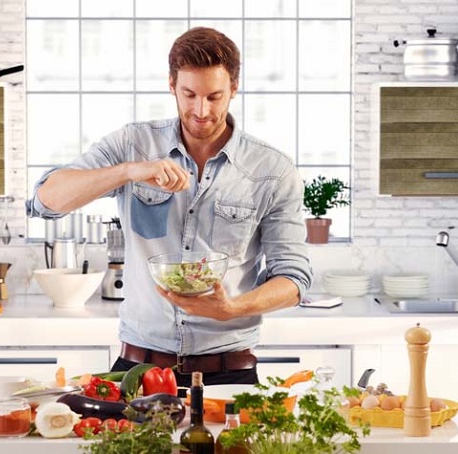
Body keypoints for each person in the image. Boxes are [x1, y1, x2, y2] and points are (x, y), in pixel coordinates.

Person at [27, 27, 312, 387]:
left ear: (234, 89)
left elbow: (294, 279)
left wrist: (231, 309)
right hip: (137, 368)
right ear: (172, 84)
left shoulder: (272, 170)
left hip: (230, 369)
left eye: (214, 96)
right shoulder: (134, 144)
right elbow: (45, 200)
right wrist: (129, 171)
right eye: (189, 94)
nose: (201, 110)